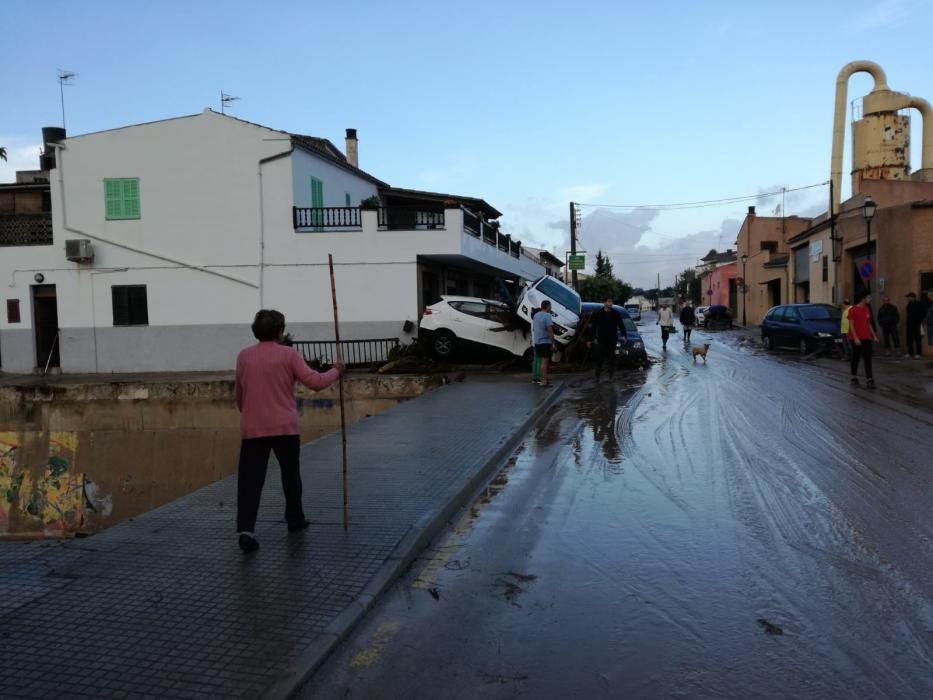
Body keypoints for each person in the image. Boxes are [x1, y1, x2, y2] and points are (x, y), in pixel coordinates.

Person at [235, 309, 345, 553]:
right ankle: (294, 519)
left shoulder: (243, 357)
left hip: (253, 428)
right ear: (279, 331)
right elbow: (315, 382)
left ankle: (246, 531)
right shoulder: (288, 354)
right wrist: (336, 370)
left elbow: (239, 396)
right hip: (285, 427)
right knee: (290, 475)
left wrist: (250, 413)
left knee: (250, 481)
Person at [588, 297, 626, 381]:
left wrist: (624, 335)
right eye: (609, 302)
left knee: (611, 358)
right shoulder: (598, 313)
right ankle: (597, 376)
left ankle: (610, 376)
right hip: (602, 339)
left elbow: (621, 324)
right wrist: (590, 339)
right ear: (604, 303)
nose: (610, 303)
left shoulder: (615, 313)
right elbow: (593, 327)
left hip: (612, 339)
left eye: (611, 302)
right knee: (599, 358)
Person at [848, 292, 878, 388]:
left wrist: (874, 336)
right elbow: (851, 325)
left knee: (868, 359)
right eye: (868, 297)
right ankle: (854, 377)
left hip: (866, 338)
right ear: (862, 298)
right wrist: (856, 338)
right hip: (856, 338)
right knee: (855, 358)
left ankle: (870, 379)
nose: (870, 299)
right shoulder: (853, 309)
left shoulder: (867, 309)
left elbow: (868, 324)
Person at [532, 300, 556, 387]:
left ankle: (543, 379)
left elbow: (534, 329)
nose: (551, 308)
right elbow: (550, 330)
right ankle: (543, 381)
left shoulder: (536, 315)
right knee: (545, 362)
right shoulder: (547, 315)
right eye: (550, 306)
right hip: (545, 342)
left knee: (541, 361)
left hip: (537, 342)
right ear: (548, 306)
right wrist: (553, 342)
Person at [905, 292, 925, 358]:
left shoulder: (919, 304)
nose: (907, 298)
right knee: (909, 339)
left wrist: (919, 321)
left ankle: (918, 353)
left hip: (916, 324)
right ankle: (910, 353)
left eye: (908, 297)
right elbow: (908, 313)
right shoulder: (909, 304)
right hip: (909, 324)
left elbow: (923, 313)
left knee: (917, 339)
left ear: (912, 297)